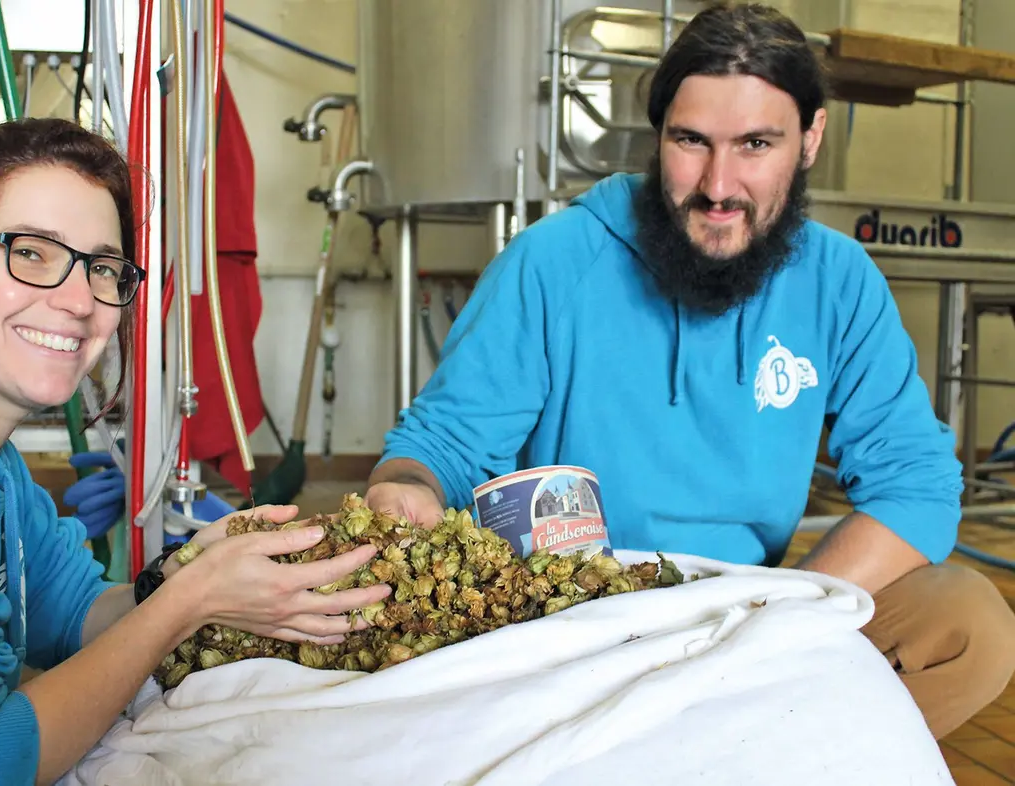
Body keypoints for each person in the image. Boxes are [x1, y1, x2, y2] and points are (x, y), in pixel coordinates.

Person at [365, 2, 1015, 741]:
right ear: (657, 136)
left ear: (811, 139)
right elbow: (445, 445)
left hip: (760, 614)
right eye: (691, 141)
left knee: (967, 626)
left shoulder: (841, 281)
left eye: (756, 144)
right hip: (573, 625)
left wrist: (773, 614)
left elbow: (918, 486)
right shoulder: (552, 262)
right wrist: (404, 488)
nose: (718, 185)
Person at [0, 117, 390, 785]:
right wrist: (189, 602)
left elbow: (68, 609)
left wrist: (194, 569)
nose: (77, 299)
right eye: (29, 252)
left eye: (102, 267)